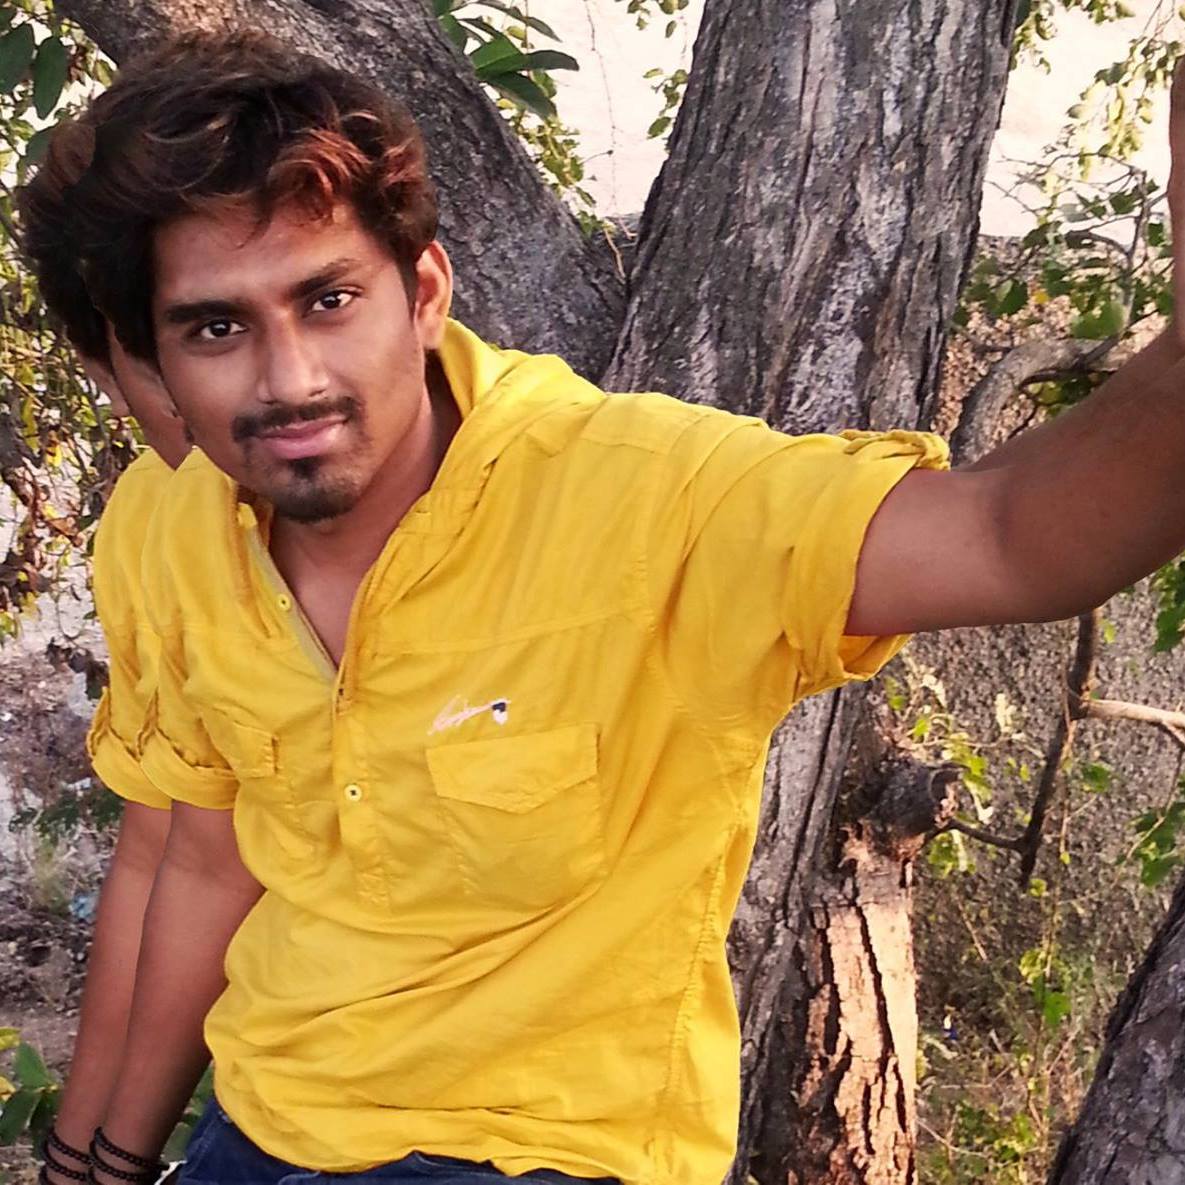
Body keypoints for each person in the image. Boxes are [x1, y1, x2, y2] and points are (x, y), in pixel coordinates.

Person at [18, 28, 1185, 1185]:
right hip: (265, 1121)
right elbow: (196, 862)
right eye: (218, 328)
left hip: (549, 1152)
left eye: (328, 300)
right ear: (152, 367)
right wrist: (91, 1165)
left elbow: (1008, 535)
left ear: (423, 294)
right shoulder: (173, 523)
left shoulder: (652, 500)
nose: (291, 381)